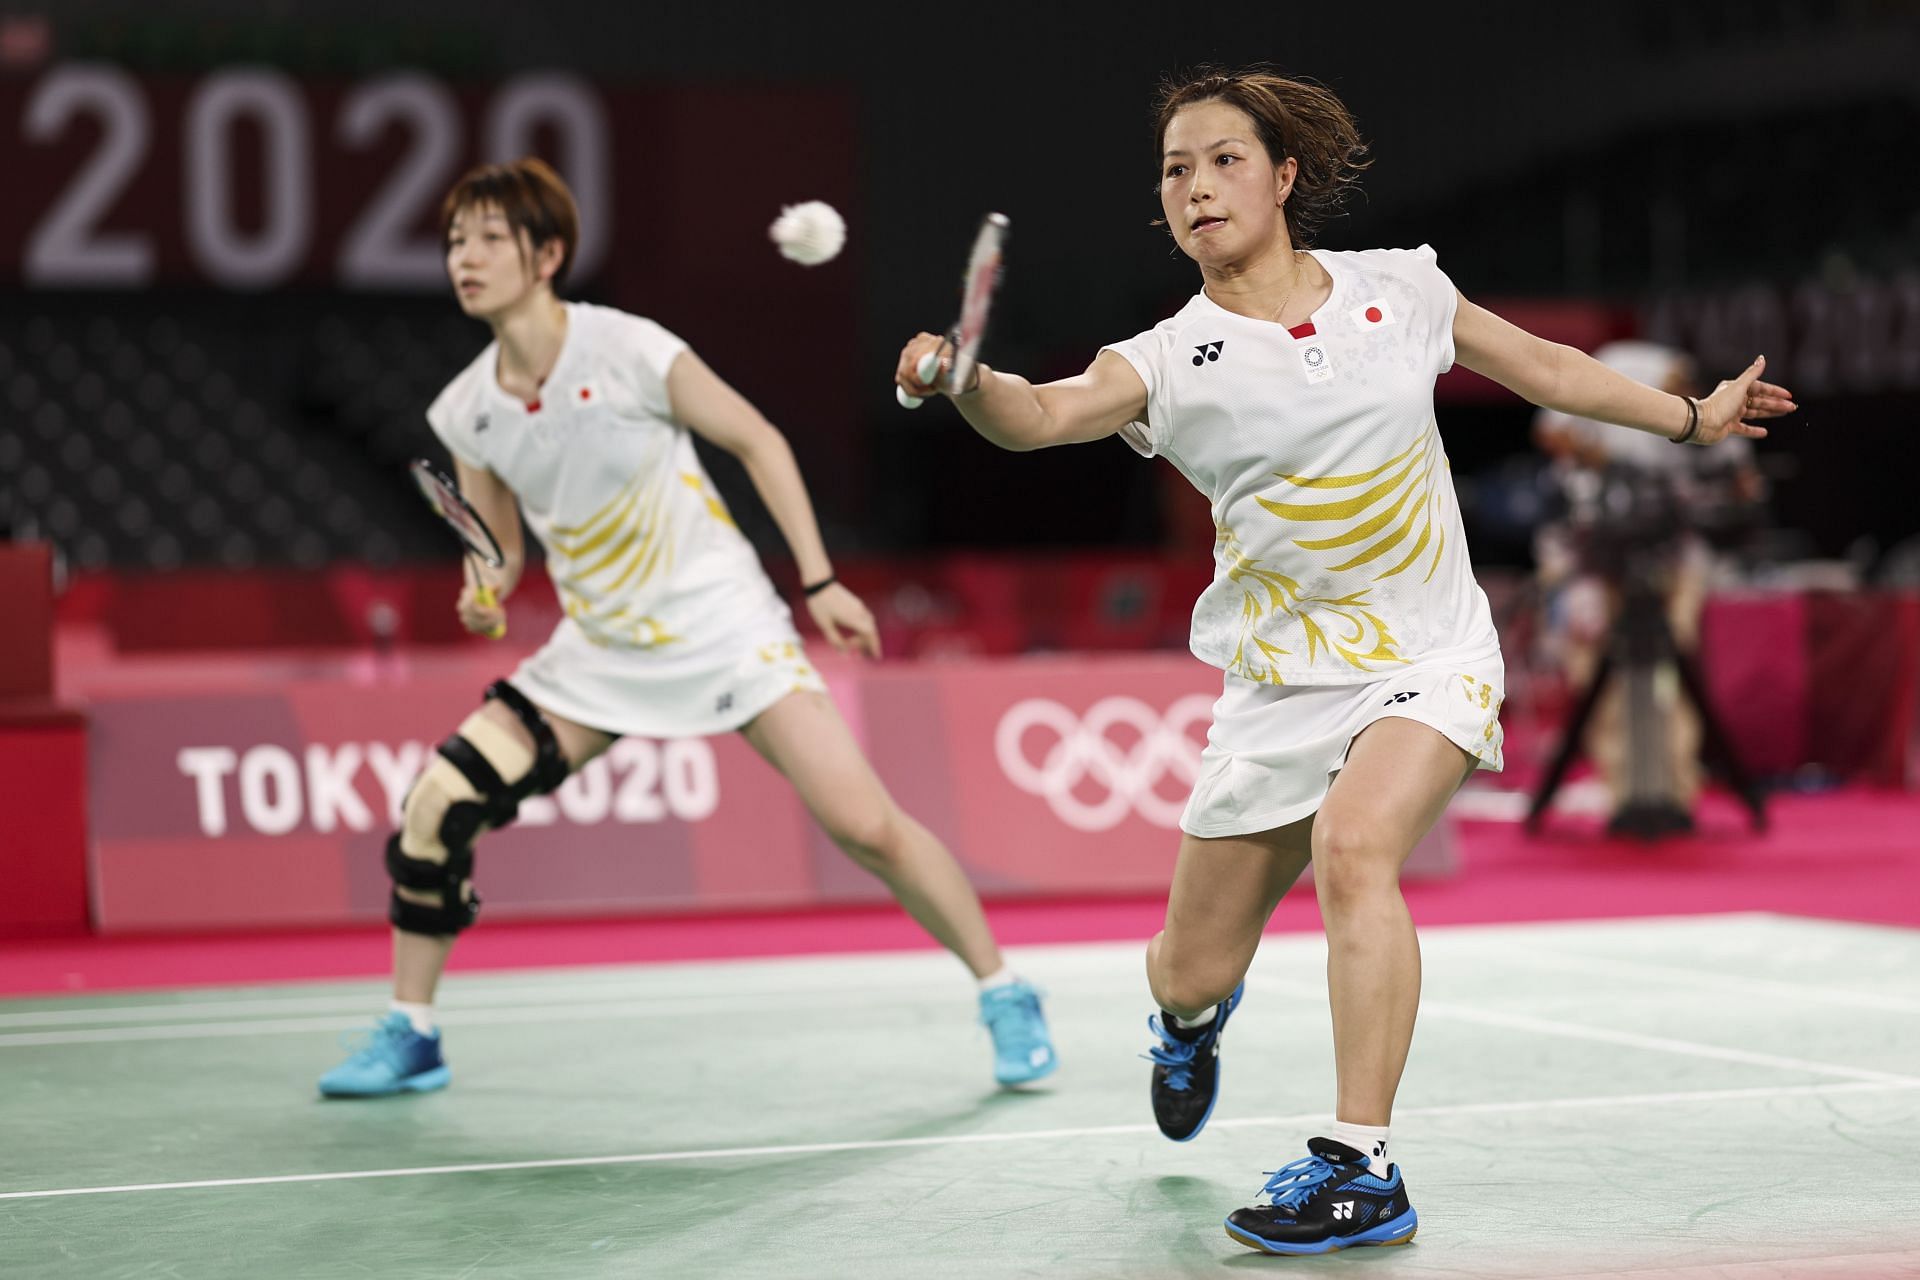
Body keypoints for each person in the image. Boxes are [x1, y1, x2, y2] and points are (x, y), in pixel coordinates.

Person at [895, 66, 1793, 1255]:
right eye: (1175, 169)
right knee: (1183, 966)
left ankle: (1360, 1163)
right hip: (1277, 686)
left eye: (1223, 159)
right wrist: (967, 382)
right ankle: (1187, 1021)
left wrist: (1692, 418)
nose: (1197, 185)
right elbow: (1043, 412)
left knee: (1356, 845)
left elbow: (1548, 371)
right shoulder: (1169, 355)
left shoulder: (1402, 290)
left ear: (1284, 176)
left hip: (1427, 649)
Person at [320, 156, 1056, 1099]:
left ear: (546, 254)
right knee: (438, 805)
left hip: (722, 625)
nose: (466, 257)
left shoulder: (628, 349)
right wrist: (484, 585)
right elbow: (499, 549)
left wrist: (821, 579)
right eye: (456, 241)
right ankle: (411, 1029)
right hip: (600, 651)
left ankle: (1004, 990)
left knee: (865, 825)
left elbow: (757, 439)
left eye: (490, 239)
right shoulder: (464, 411)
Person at [1532, 341, 1767, 820]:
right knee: (1594, 668)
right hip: (1594, 558)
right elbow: (1552, 432)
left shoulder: (1699, 416)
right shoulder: (1617, 372)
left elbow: (1743, 487)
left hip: (1673, 559)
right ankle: (1621, 786)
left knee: (1672, 669)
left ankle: (1676, 786)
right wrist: (1604, 462)